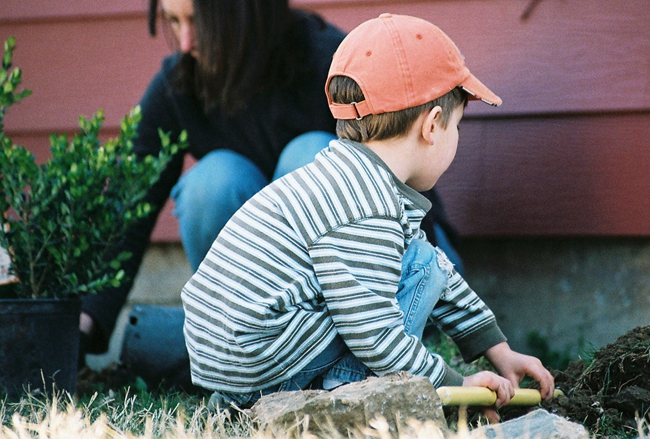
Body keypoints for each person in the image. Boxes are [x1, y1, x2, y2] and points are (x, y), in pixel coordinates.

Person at [180, 13, 555, 420]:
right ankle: (346, 390)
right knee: (422, 267)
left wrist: (498, 349)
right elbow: (374, 332)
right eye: (457, 127)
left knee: (418, 258)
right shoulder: (366, 208)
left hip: (230, 364)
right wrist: (451, 384)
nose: (456, 139)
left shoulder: (344, 174)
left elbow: (424, 265)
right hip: (266, 358)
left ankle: (247, 401)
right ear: (432, 126)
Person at [78, 1, 462, 369]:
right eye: (173, 22)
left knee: (311, 154)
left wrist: (436, 299)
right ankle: (259, 344)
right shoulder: (179, 85)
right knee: (212, 183)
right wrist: (84, 321)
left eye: (198, 22)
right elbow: (129, 210)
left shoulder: (328, 63)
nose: (185, 43)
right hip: (280, 310)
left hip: (394, 276)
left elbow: (404, 187)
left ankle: (351, 345)